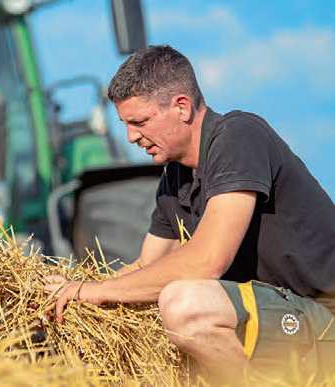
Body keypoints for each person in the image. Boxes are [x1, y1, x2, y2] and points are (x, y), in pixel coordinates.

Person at [44, 45, 335, 381]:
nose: (131, 137)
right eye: (125, 124)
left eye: (139, 122)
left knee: (186, 305)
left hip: (323, 318)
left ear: (181, 106)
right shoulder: (174, 179)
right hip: (277, 316)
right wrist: (70, 293)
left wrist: (92, 291)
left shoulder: (239, 136)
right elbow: (145, 268)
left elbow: (206, 262)